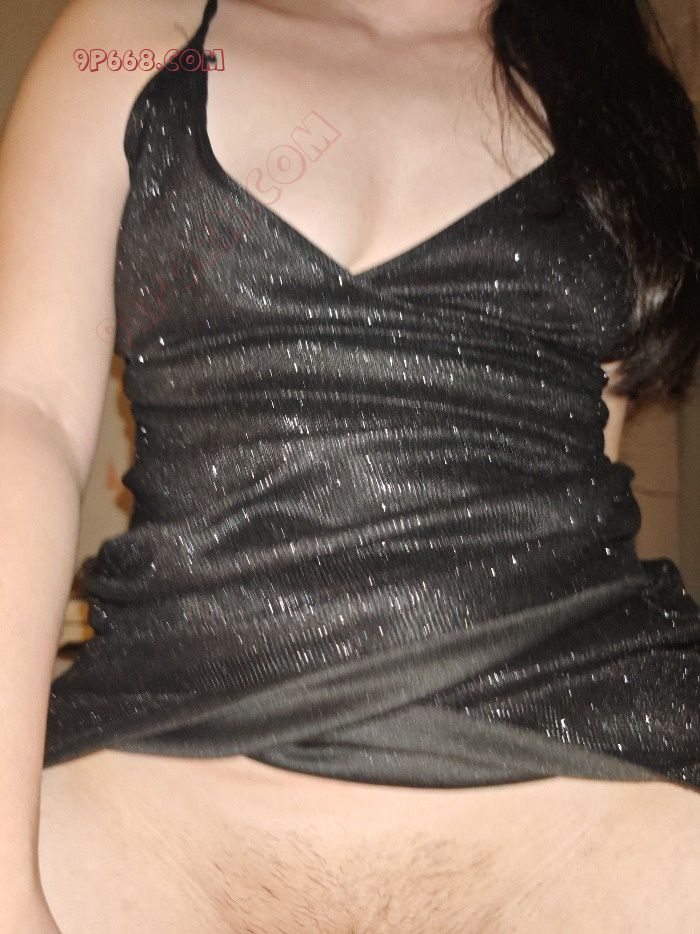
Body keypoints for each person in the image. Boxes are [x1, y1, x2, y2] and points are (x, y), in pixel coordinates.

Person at [1, 0, 699, 929]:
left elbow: (586, 470)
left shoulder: (606, 92)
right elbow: (26, 412)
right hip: (154, 791)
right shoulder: (137, 34)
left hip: (604, 794)